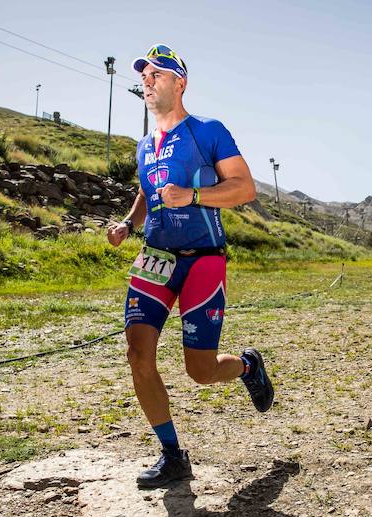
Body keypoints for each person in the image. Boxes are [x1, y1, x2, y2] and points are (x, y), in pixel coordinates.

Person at [106, 44, 274, 489]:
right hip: (155, 260)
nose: (147, 81)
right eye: (144, 76)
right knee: (137, 353)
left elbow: (244, 187)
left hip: (204, 259)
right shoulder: (145, 145)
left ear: (180, 83)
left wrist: (194, 196)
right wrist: (127, 224)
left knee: (200, 371)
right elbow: (148, 193)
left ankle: (247, 366)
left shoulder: (207, 131)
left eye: (157, 74)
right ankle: (172, 455)